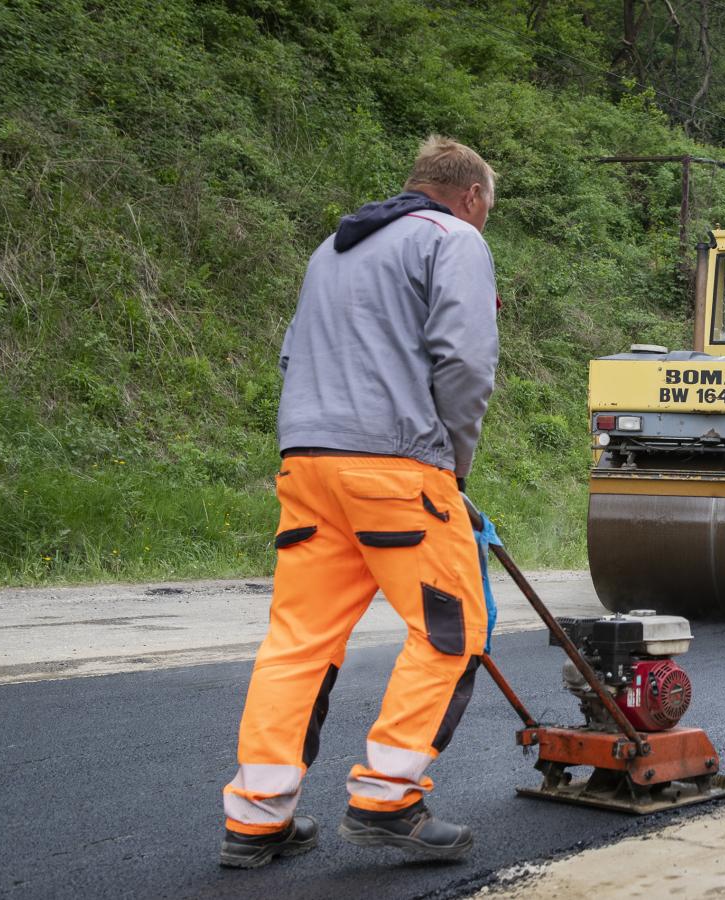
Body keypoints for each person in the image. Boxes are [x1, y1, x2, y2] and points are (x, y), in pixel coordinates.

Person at [219, 136, 500, 869]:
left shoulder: (333, 249)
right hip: (397, 468)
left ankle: (256, 816)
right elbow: (465, 360)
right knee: (452, 632)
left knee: (298, 640)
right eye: (486, 211)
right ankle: (388, 799)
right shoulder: (453, 238)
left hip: (308, 465)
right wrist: (453, 466)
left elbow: (291, 353)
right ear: (470, 196)